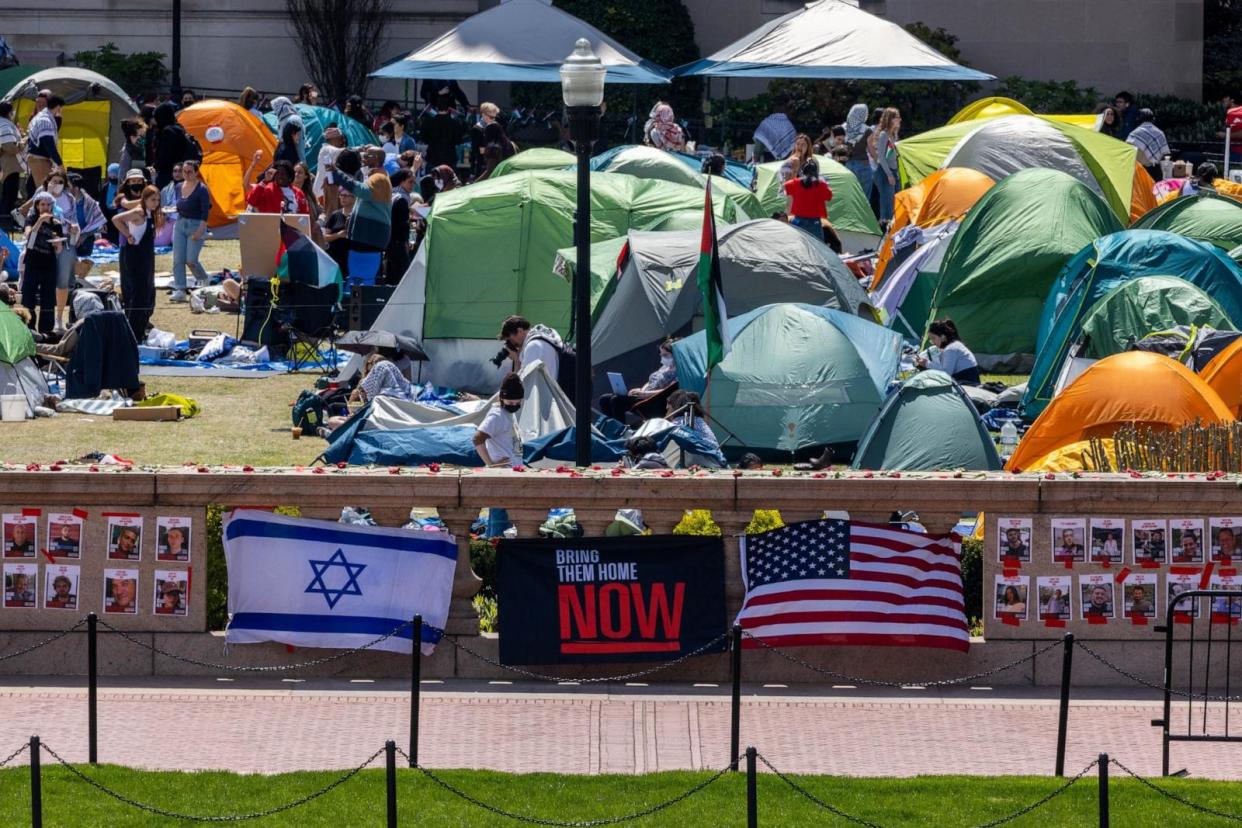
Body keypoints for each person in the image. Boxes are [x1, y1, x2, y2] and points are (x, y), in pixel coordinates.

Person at [112, 185, 162, 342]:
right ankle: (132, 332)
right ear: (145, 199)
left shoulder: (150, 213)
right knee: (138, 295)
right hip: (135, 256)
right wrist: (127, 235)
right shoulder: (139, 212)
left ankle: (141, 327)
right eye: (152, 200)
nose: (156, 203)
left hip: (147, 257)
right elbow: (116, 219)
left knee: (148, 292)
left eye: (158, 200)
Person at [21, 192, 75, 334]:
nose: (45, 208)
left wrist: (58, 245)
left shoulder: (56, 224)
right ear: (37, 206)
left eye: (48, 205)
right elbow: (28, 238)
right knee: (28, 297)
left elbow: (58, 248)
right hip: (32, 262)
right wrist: (39, 222)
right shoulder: (31, 219)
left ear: (52, 207)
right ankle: (28, 328)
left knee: (48, 300)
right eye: (42, 204)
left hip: (49, 264)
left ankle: (46, 331)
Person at [331, 167, 394, 282]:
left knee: (362, 280)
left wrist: (337, 173)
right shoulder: (381, 182)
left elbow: (361, 190)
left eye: (367, 156)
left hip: (367, 240)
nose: (364, 161)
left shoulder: (379, 179)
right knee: (360, 279)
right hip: (367, 240)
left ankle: (359, 297)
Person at [599, 337, 679, 423]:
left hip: (652, 401)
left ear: (675, 354)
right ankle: (609, 426)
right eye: (661, 354)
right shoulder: (665, 367)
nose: (662, 357)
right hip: (643, 395)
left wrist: (644, 394)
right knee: (604, 399)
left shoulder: (678, 372)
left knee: (616, 400)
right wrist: (640, 390)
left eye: (665, 355)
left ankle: (618, 430)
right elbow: (650, 382)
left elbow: (667, 390)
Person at [170, 160, 211, 302]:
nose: (186, 174)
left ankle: (204, 281)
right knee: (178, 259)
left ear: (196, 172)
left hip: (196, 225)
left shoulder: (202, 189)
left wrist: (200, 231)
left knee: (191, 260)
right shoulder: (178, 186)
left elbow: (205, 212)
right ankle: (180, 289)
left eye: (189, 172)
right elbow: (179, 206)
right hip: (180, 224)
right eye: (184, 171)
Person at [474, 372, 524, 467]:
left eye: (518, 403)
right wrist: (491, 465)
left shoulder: (508, 413)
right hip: (503, 472)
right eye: (510, 402)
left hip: (513, 470)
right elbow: (477, 438)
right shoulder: (497, 416)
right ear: (502, 398)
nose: (514, 406)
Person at [666, 390, 725, 466]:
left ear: (675, 406)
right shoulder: (700, 422)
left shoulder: (681, 421)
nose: (666, 408)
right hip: (716, 460)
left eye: (668, 407)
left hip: (704, 461)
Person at [67, 172, 105, 287]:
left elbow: (98, 223)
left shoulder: (90, 203)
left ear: (76, 188)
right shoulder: (63, 201)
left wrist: (83, 235)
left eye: (67, 186)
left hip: (85, 240)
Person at [915, 319, 980, 386]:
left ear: (943, 337)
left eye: (933, 338)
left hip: (968, 383)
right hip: (969, 380)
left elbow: (946, 374)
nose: (932, 342)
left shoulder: (950, 349)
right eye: (931, 339)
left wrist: (927, 364)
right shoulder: (954, 345)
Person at [498, 315, 561, 380]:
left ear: (520, 331)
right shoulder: (542, 338)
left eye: (511, 340)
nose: (512, 344)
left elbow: (521, 384)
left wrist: (516, 360)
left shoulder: (533, 347)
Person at [784, 159, 833, 241]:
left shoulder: (795, 183)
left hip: (797, 221)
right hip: (814, 223)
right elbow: (829, 197)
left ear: (802, 171)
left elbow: (784, 188)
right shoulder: (821, 184)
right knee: (817, 247)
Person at [151, 101, 196, 188]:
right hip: (179, 172)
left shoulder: (168, 132)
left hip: (167, 174)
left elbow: (165, 156)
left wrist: (155, 166)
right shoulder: (178, 128)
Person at [25, 94, 63, 191]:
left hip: (39, 158)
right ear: (58, 107)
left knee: (43, 191)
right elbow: (48, 143)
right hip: (39, 159)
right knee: (46, 191)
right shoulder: (45, 120)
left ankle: (22, 207)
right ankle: (22, 207)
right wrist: (60, 164)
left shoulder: (42, 116)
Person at [420, 95, 467, 170]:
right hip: (449, 157)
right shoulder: (454, 123)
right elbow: (459, 140)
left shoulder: (429, 122)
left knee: (431, 180)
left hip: (432, 156)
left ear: (436, 108)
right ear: (449, 109)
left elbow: (423, 138)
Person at [874, 107, 901, 227]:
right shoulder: (884, 135)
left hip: (894, 171)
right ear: (890, 119)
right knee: (887, 204)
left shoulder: (894, 135)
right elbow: (881, 156)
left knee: (896, 201)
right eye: (897, 117)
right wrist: (889, 174)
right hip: (885, 173)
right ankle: (885, 228)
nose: (899, 119)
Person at [1126, 108, 1169, 181]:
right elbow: (1164, 152)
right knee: (1155, 191)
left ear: (1139, 118)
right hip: (1156, 169)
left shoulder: (1134, 134)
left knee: (1142, 191)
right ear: (1152, 119)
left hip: (1139, 170)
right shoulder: (1159, 133)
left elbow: (1127, 151)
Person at [387, 169, 414, 283]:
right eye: (410, 182)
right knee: (402, 275)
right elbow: (402, 225)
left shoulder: (391, 195)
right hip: (398, 242)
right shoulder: (401, 199)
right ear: (401, 182)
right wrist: (406, 242)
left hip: (388, 241)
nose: (412, 185)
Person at [841, 103, 873, 201]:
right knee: (864, 197)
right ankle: (863, 216)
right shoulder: (867, 130)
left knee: (850, 194)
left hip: (848, 164)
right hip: (863, 164)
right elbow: (871, 150)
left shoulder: (844, 128)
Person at [322, 186, 354, 278]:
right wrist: (338, 235)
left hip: (351, 257)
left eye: (346, 196)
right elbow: (324, 237)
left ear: (354, 198)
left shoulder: (357, 216)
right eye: (341, 195)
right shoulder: (335, 215)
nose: (343, 198)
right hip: (335, 257)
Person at [0, 102, 21, 221]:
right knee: (10, 193)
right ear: (9, 112)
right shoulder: (5, 125)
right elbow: (10, 147)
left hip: (6, 164)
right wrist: (22, 144)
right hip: (9, 165)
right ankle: (6, 219)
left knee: (8, 192)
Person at [471, 102, 501, 177]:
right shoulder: (477, 128)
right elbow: (475, 149)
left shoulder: (495, 126)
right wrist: (489, 150)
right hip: (482, 165)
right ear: (483, 115)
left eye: (494, 117)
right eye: (491, 117)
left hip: (494, 163)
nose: (493, 119)